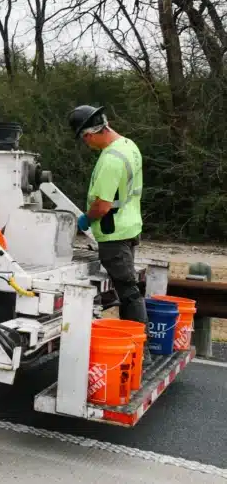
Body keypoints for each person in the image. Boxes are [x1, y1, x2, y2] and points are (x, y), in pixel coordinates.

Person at [68, 105, 148, 329]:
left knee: (128, 293)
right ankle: (137, 343)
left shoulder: (110, 160)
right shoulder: (128, 146)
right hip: (129, 227)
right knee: (129, 289)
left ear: (91, 133)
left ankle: (140, 348)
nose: (86, 144)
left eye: (84, 139)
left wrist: (85, 219)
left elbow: (102, 206)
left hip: (113, 235)